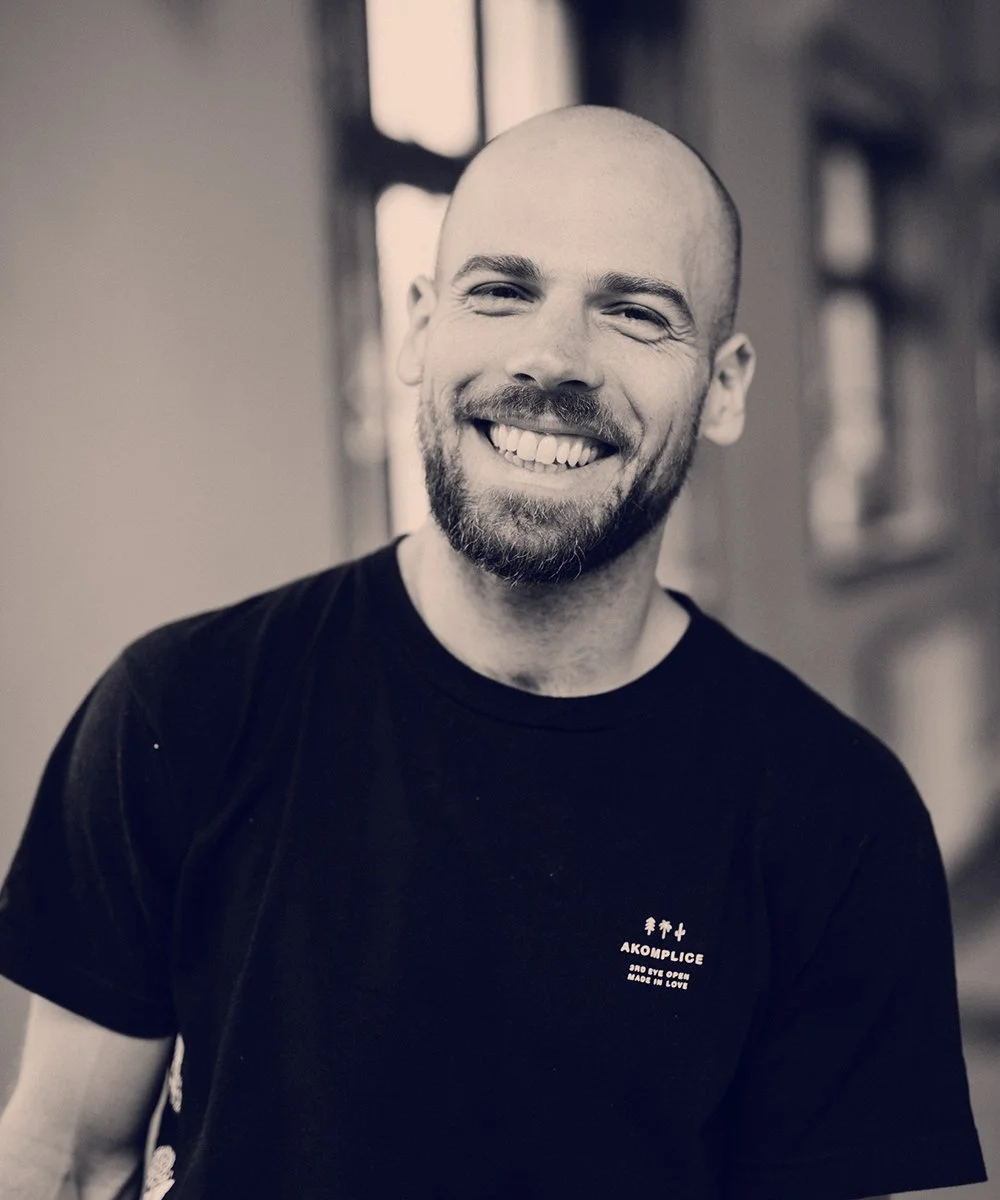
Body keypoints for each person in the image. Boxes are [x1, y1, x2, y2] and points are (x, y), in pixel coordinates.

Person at [0, 105, 986, 1200]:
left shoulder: (836, 815)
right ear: (420, 328)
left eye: (635, 313)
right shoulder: (179, 709)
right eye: (502, 290)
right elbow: (65, 1164)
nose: (550, 360)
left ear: (724, 386)